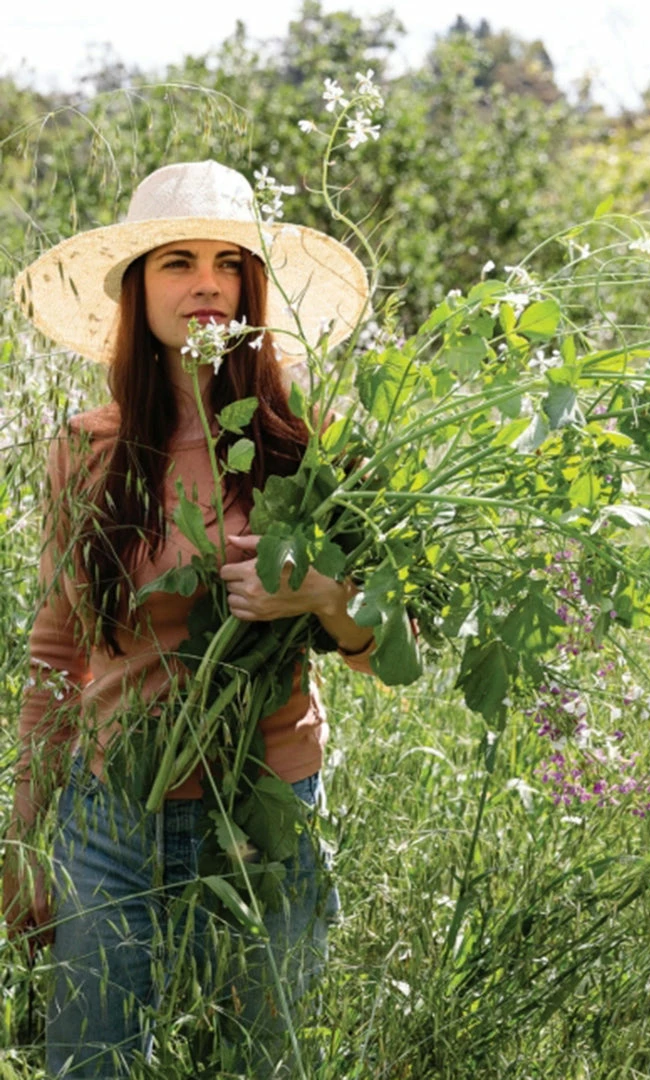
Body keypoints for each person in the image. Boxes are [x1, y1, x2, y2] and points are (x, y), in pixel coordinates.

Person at [2, 160, 375, 1078]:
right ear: (139, 290)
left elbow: (382, 651)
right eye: (178, 261)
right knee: (90, 1064)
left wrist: (321, 598)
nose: (206, 282)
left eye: (228, 263)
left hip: (265, 811)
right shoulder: (86, 448)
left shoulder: (309, 441)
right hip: (109, 815)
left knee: (261, 1062)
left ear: (254, 289)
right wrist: (24, 837)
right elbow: (57, 649)